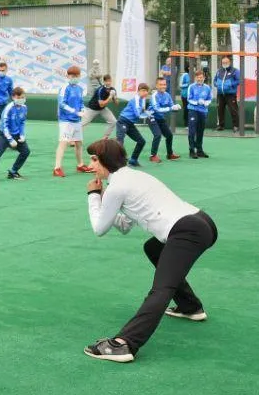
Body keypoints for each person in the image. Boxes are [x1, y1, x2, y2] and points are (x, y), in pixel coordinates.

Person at [80, 139, 218, 363]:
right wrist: (105, 201)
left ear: (106, 160)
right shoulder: (133, 176)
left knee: (162, 288)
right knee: (153, 248)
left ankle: (125, 344)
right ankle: (190, 307)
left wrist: (94, 196)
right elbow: (125, 225)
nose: (91, 164)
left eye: (94, 159)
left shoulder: (117, 186)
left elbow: (99, 229)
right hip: (202, 222)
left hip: (187, 231)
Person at [0, 86, 30, 182]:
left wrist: (22, 135)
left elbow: (22, 122)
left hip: (17, 135)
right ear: (13, 97)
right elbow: (4, 125)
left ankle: (13, 172)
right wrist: (10, 139)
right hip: (5, 135)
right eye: (18, 98)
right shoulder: (8, 108)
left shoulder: (24, 108)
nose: (21, 99)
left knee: (25, 152)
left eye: (22, 97)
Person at [54, 65, 93, 178]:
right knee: (63, 143)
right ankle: (57, 168)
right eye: (72, 75)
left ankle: (80, 165)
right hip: (66, 121)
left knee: (79, 143)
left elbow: (80, 102)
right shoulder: (64, 88)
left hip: (76, 121)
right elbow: (61, 104)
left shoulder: (79, 89)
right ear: (67, 76)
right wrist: (75, 111)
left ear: (79, 76)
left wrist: (82, 109)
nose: (74, 77)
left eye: (76, 75)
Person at [115, 83, 152, 167]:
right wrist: (148, 114)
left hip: (130, 123)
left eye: (146, 91)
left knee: (141, 141)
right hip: (122, 121)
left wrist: (149, 112)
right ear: (138, 91)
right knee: (119, 142)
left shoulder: (142, 100)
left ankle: (133, 160)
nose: (145, 92)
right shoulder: (135, 100)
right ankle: (117, 162)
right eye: (143, 90)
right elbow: (138, 114)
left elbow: (143, 111)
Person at [147, 77, 181, 163]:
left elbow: (172, 106)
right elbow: (157, 109)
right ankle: (153, 156)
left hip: (160, 118)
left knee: (169, 135)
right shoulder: (154, 96)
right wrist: (171, 108)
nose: (163, 86)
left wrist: (176, 107)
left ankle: (170, 155)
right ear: (156, 86)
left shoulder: (167, 95)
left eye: (164, 84)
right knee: (157, 135)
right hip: (152, 117)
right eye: (161, 84)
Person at [81, 74, 118, 139]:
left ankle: (105, 137)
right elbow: (101, 104)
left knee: (113, 121)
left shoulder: (113, 89)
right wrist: (109, 97)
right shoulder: (100, 90)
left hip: (102, 109)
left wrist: (114, 97)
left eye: (109, 81)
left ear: (111, 81)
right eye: (107, 81)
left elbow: (116, 104)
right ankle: (73, 139)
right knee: (82, 124)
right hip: (92, 109)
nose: (108, 82)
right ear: (104, 82)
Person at [186, 70, 213, 159]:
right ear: (195, 78)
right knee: (192, 131)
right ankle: (192, 150)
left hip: (203, 111)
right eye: (198, 77)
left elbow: (209, 99)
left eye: (201, 77)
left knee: (200, 131)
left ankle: (200, 150)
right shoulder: (191, 87)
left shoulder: (207, 88)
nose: (199, 79)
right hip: (193, 110)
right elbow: (189, 99)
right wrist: (197, 102)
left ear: (204, 78)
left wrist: (206, 103)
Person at [213, 56, 240, 131]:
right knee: (220, 110)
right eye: (223, 62)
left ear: (229, 62)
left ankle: (236, 126)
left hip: (230, 94)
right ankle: (221, 126)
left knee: (233, 110)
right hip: (220, 94)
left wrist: (230, 84)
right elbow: (214, 80)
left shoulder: (235, 71)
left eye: (226, 62)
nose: (225, 63)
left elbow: (239, 80)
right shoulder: (219, 71)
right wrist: (216, 84)